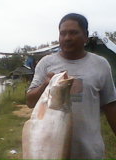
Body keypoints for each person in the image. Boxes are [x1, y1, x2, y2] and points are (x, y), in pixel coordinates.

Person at [26, 13, 116, 159]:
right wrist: (46, 85)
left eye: (73, 32)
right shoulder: (46, 63)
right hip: (50, 151)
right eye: (63, 33)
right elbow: (30, 102)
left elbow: (111, 105)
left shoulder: (101, 64)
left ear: (86, 36)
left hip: (89, 152)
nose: (67, 37)